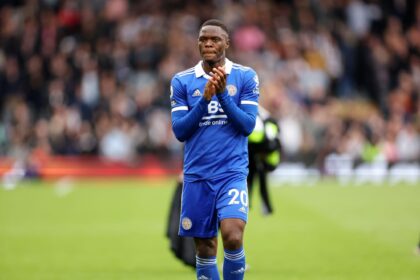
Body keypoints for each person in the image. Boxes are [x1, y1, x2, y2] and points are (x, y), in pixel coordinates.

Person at [170, 19, 259, 280]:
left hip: (231, 173)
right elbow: (180, 131)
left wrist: (222, 96)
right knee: (206, 247)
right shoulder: (182, 81)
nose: (208, 43)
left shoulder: (245, 76)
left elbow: (248, 126)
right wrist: (205, 99)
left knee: (232, 235)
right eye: (203, 39)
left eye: (214, 39)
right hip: (197, 176)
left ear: (227, 43)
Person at [247, 106, 281, 215]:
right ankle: (266, 207)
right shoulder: (267, 121)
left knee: (252, 181)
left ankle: (248, 205)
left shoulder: (255, 118)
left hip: (256, 155)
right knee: (258, 182)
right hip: (260, 155)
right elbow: (274, 142)